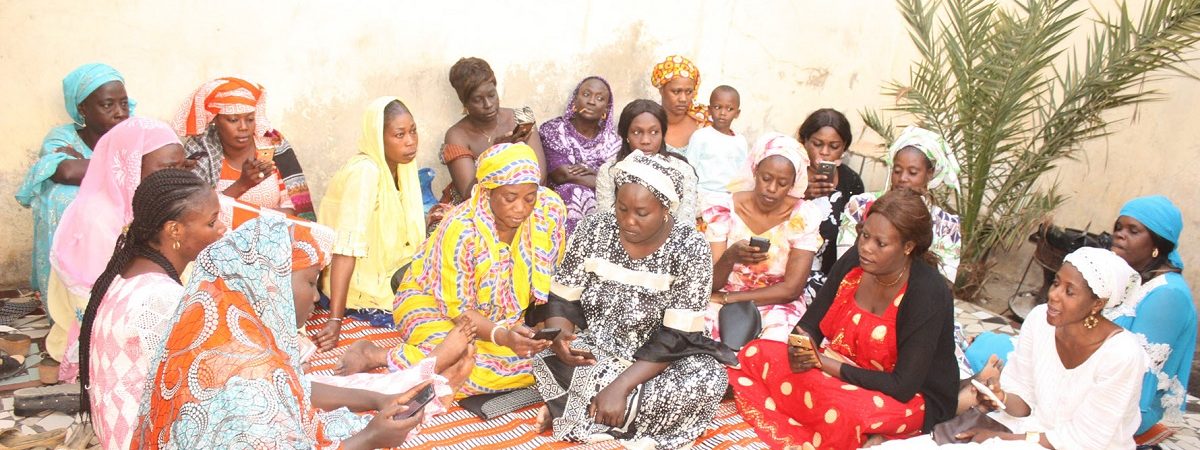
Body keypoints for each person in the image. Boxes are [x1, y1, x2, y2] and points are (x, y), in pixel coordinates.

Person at [130, 216, 438, 449]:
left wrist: (378, 398)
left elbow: (291, 387)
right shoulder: (243, 378)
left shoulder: (231, 332)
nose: (317, 298)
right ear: (269, 284)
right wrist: (371, 437)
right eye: (310, 282)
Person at [527, 151, 735, 449]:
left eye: (641, 212)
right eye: (622, 208)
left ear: (665, 209)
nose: (628, 221)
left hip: (663, 360)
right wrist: (562, 338)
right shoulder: (593, 230)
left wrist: (622, 386)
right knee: (545, 357)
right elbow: (562, 298)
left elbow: (677, 335)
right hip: (598, 348)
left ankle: (575, 411)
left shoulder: (690, 247)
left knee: (708, 379)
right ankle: (597, 414)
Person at [730, 188, 959, 449]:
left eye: (880, 244)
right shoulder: (855, 260)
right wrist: (800, 346)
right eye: (864, 236)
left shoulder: (927, 292)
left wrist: (822, 363)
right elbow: (810, 324)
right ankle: (832, 422)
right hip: (839, 367)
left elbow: (902, 386)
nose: (867, 248)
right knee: (757, 352)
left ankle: (860, 430)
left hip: (906, 395)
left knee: (846, 413)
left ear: (908, 247)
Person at [337, 143, 566, 397]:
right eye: (510, 198)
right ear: (488, 193)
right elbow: (460, 312)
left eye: (529, 198)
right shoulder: (461, 229)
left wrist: (541, 333)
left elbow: (549, 278)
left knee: (542, 361)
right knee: (466, 365)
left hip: (504, 318)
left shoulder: (548, 212)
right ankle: (377, 355)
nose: (521, 208)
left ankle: (432, 362)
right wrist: (503, 336)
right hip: (433, 304)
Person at [965, 195, 1196, 443]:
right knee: (997, 348)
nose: (1120, 235)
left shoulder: (1167, 296)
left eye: (1133, 231)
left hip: (1120, 402)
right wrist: (1004, 397)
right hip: (1065, 394)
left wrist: (1006, 437)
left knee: (995, 349)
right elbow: (1026, 395)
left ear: (1157, 243)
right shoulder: (1048, 314)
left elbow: (1136, 384)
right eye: (1118, 227)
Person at [878, 247, 1149, 450]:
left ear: (1097, 304)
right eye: (1056, 283)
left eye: (1070, 291)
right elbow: (1024, 403)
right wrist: (1002, 397)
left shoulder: (1122, 355)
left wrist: (1004, 439)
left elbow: (1086, 440)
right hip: (1025, 431)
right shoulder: (1040, 320)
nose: (1054, 295)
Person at [75, 169, 224, 450]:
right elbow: (196, 383)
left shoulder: (129, 268)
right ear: (174, 230)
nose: (221, 229)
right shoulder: (160, 297)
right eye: (212, 222)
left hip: (119, 427)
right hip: (140, 437)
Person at [45, 117, 187, 367]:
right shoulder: (96, 216)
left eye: (181, 167)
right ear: (130, 168)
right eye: (166, 168)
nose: (176, 178)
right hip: (105, 321)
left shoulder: (152, 201)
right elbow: (94, 299)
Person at [15, 63, 132, 305]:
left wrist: (87, 165)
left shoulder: (133, 132)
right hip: (84, 237)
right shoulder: (62, 137)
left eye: (123, 103)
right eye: (107, 105)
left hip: (119, 233)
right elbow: (66, 172)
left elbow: (150, 168)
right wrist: (124, 167)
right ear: (83, 109)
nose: (120, 112)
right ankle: (67, 299)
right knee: (62, 196)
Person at [317, 97, 428, 348]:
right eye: (399, 135)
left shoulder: (403, 167)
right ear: (378, 136)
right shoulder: (365, 172)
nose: (410, 141)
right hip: (363, 289)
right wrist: (335, 319)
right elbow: (345, 247)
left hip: (392, 274)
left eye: (413, 131)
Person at [703, 132, 830, 342]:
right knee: (697, 339)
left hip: (776, 304)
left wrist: (729, 299)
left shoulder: (803, 217)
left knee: (775, 348)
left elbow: (791, 289)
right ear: (755, 171)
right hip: (718, 298)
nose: (771, 189)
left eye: (782, 183)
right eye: (766, 178)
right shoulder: (724, 209)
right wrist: (730, 257)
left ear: (793, 184)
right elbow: (711, 284)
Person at [173, 76, 313, 219]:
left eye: (250, 119)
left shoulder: (272, 144)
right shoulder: (201, 152)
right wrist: (242, 185)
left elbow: (294, 208)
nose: (244, 127)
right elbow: (196, 215)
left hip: (275, 236)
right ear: (215, 119)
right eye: (233, 120)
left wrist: (246, 221)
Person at [838, 126, 961, 282]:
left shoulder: (946, 225)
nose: (902, 178)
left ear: (930, 173)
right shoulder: (860, 206)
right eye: (897, 170)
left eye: (913, 172)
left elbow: (943, 283)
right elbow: (844, 265)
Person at [438, 57, 546, 209]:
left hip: (526, 199)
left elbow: (540, 178)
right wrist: (496, 155)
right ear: (465, 102)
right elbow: (470, 194)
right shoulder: (457, 134)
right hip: (479, 207)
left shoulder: (522, 117)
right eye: (477, 99)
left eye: (491, 95)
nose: (488, 105)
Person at [595, 99, 700, 228]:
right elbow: (606, 221)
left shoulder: (682, 170)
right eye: (637, 132)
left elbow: (685, 223)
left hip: (672, 243)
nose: (645, 140)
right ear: (626, 135)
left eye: (654, 132)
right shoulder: (609, 171)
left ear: (663, 134)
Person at [798, 108, 865, 301]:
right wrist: (802, 195)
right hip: (786, 271)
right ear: (804, 141)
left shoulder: (851, 181)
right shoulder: (790, 173)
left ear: (844, 147)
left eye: (834, 146)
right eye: (817, 144)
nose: (825, 152)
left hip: (831, 276)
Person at [538, 76, 620, 234]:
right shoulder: (554, 130)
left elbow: (619, 182)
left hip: (604, 205)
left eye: (600, 98)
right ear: (574, 101)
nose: (592, 101)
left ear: (606, 109)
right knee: (574, 190)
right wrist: (602, 176)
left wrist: (603, 179)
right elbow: (561, 175)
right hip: (559, 205)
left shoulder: (614, 142)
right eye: (586, 94)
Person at [685, 85, 749, 206]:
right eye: (717, 107)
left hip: (729, 199)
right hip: (702, 196)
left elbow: (742, 175)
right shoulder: (700, 137)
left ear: (737, 113)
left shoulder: (740, 141)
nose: (723, 113)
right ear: (709, 109)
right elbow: (689, 170)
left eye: (730, 109)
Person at [651, 55, 710, 153]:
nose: (683, 99)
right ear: (661, 90)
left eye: (689, 92)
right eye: (676, 91)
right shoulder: (648, 124)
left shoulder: (705, 121)